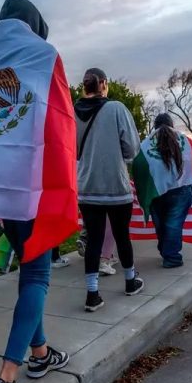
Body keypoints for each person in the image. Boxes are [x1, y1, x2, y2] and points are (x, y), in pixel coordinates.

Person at [0, 0, 77, 383]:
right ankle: (7, 378)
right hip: (33, 187)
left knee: (30, 271)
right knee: (37, 276)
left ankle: (41, 353)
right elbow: (60, 122)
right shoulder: (44, 56)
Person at [76, 67, 144, 313]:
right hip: (116, 185)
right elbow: (132, 149)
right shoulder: (116, 109)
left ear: (84, 86)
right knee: (121, 235)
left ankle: (92, 293)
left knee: (93, 239)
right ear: (104, 83)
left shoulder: (72, 112)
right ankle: (130, 281)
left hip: (86, 186)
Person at [133, 113, 192, 268]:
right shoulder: (184, 140)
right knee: (173, 224)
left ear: (155, 126)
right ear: (171, 124)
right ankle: (171, 257)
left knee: (161, 224)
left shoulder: (146, 144)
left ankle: (166, 251)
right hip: (180, 190)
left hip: (155, 191)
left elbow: (137, 165)